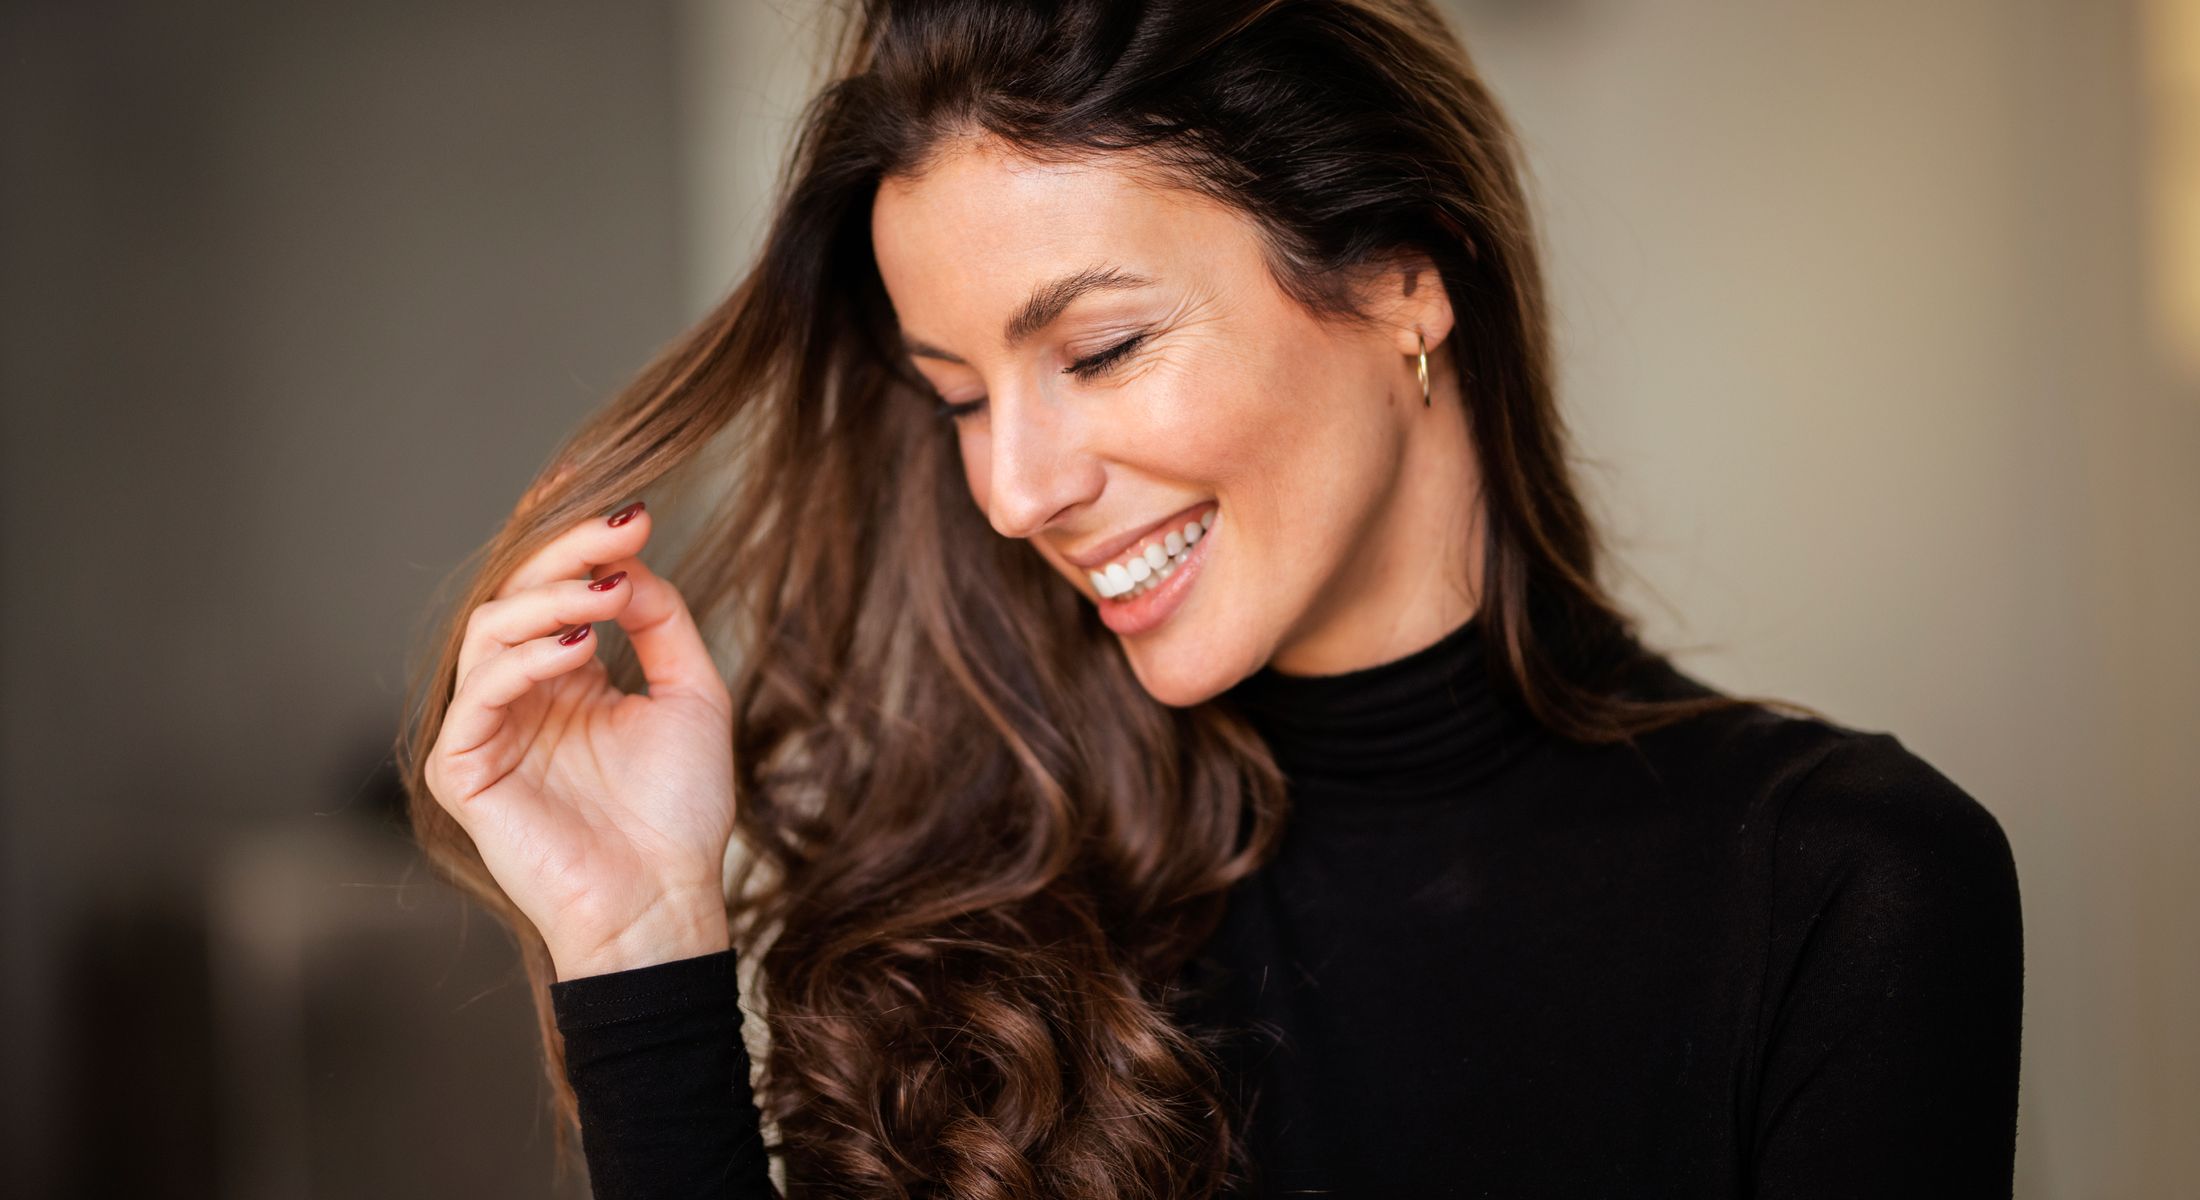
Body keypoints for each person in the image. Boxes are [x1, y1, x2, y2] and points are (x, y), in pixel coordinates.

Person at [399, 1, 2025, 1197]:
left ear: (1402, 277)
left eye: (1098, 351)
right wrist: (640, 949)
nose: (1014, 489)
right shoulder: (979, 899)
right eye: (957, 396)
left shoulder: (1843, 890)